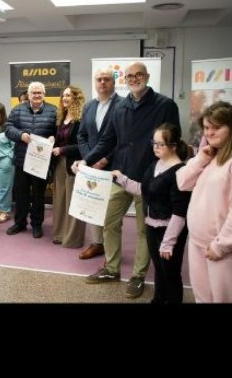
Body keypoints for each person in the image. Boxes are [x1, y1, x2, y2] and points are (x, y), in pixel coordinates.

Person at [73, 62, 180, 299]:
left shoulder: (165, 105)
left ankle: (138, 276)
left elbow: (174, 142)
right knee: (109, 222)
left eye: (138, 74)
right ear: (125, 80)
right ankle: (111, 269)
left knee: (144, 230)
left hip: (149, 179)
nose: (134, 79)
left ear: (147, 76)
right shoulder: (120, 107)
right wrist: (86, 161)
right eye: (129, 76)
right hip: (120, 175)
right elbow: (107, 141)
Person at [176, 101, 232, 303]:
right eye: (206, 128)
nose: (209, 133)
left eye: (217, 127)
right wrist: (200, 159)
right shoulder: (212, 154)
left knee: (227, 299)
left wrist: (220, 246)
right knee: (203, 298)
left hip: (229, 249)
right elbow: (182, 182)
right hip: (199, 243)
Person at [112, 123, 191, 304]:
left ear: (173, 145)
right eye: (154, 143)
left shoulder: (180, 171)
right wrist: (122, 179)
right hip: (151, 226)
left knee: (170, 272)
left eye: (160, 144)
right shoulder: (155, 164)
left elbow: (180, 213)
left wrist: (168, 242)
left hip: (170, 230)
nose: (156, 147)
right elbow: (143, 189)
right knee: (158, 268)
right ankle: (158, 298)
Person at [76, 68, 123, 260]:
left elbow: (123, 139)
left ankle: (112, 250)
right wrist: (89, 158)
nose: (102, 82)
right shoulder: (88, 106)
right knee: (92, 206)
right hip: (91, 166)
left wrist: (105, 159)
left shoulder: (122, 105)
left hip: (113, 165)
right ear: (95, 83)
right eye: (99, 79)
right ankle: (97, 244)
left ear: (114, 83)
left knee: (111, 212)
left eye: (106, 79)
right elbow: (81, 135)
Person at [5, 82, 58, 239]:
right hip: (22, 160)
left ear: (44, 94)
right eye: (34, 92)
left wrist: (53, 137)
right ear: (28, 95)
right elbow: (8, 128)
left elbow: (59, 131)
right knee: (21, 195)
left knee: (38, 196)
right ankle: (20, 223)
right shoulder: (18, 109)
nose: (36, 95)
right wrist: (20, 135)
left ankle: (36, 224)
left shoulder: (53, 111)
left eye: (39, 92)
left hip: (41, 161)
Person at [50, 85, 85, 248]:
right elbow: (59, 141)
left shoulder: (80, 120)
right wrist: (52, 141)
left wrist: (62, 149)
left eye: (68, 96)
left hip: (74, 165)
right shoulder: (60, 119)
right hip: (59, 165)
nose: (64, 98)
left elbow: (84, 145)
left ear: (76, 98)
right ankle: (59, 233)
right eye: (63, 95)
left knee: (73, 202)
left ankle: (72, 238)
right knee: (60, 200)